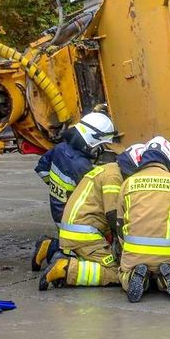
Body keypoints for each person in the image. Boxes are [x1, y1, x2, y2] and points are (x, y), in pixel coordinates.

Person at [38, 143, 144, 289]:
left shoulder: (109, 168)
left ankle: (51, 247)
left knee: (105, 260)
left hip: (77, 230)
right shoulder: (114, 177)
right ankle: (66, 269)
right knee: (118, 271)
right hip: (84, 235)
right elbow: (114, 218)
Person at [30, 110, 117, 270]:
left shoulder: (60, 148)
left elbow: (41, 167)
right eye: (100, 146)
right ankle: (52, 249)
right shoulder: (81, 166)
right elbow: (94, 194)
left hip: (57, 209)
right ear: (91, 140)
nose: (101, 150)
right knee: (91, 252)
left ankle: (49, 246)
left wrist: (57, 187)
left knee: (72, 243)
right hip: (72, 217)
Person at [117, 136, 170, 302]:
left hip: (134, 253)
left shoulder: (128, 183)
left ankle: (133, 279)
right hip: (168, 252)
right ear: (168, 158)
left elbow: (119, 225)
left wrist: (127, 250)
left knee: (123, 273)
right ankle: (166, 278)